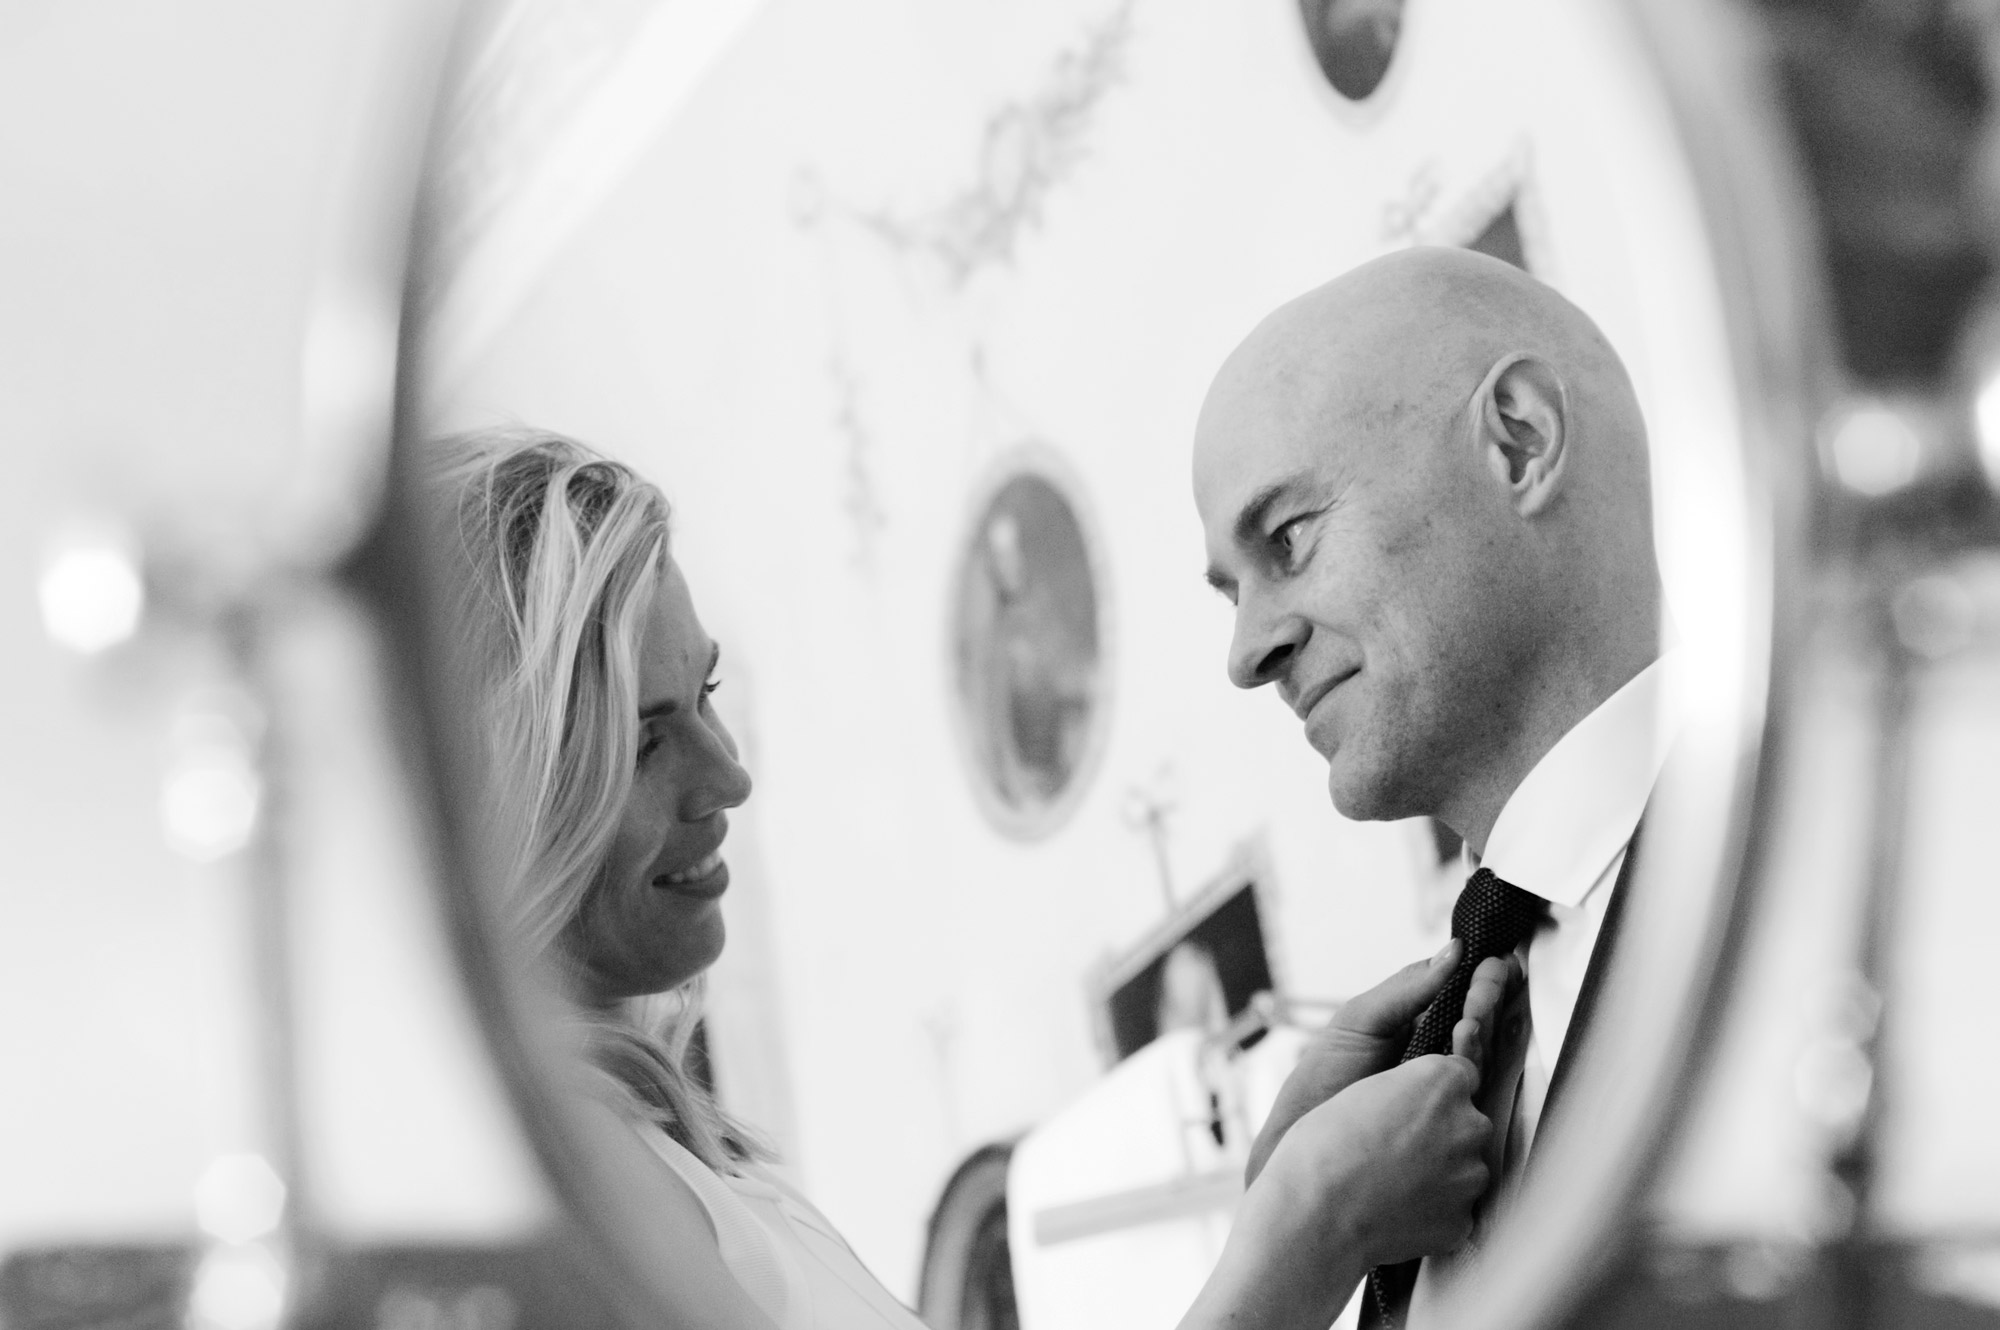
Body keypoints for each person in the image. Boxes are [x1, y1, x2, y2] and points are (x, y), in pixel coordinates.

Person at [430, 427, 1517, 1330]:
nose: (729, 775)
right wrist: (1302, 1235)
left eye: (707, 692)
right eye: (644, 740)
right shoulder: (557, 1207)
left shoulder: (676, 1162)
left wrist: (1273, 1198)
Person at [1192, 246, 1675, 1327]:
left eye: (1288, 538)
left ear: (1519, 441)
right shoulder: (1382, 1122)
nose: (1245, 652)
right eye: (1229, 591)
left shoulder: (1808, 852)